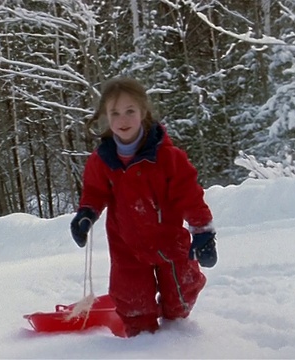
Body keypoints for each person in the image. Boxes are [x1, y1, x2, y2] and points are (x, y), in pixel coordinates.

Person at [70, 77, 218, 337]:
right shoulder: (102, 160)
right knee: (132, 302)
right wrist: (86, 213)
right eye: (115, 113)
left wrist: (202, 231)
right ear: (106, 116)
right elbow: (94, 191)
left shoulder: (168, 157)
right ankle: (142, 346)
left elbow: (189, 195)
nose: (122, 120)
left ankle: (177, 335)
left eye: (130, 111)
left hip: (169, 241)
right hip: (126, 244)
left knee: (181, 295)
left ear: (143, 112)